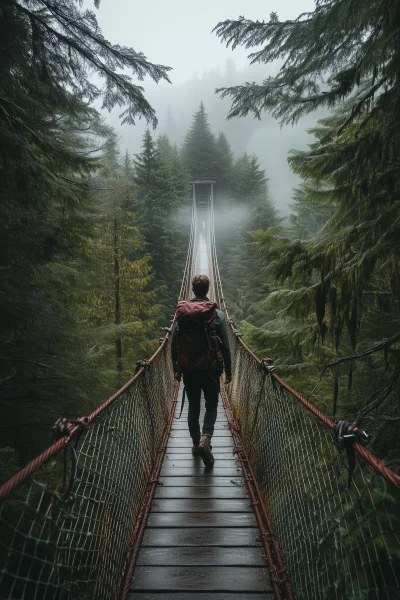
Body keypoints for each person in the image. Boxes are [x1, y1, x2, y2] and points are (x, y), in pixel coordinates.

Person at [171, 274, 232, 468]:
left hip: (189, 369)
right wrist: (229, 372)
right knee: (212, 405)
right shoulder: (218, 314)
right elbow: (226, 348)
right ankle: (206, 438)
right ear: (207, 290)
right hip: (211, 369)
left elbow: (174, 344)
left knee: (194, 408)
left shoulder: (182, 313)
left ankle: (196, 444)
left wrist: (176, 369)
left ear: (192, 289)